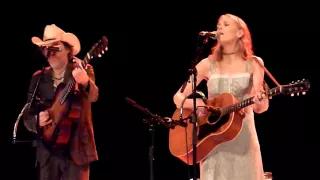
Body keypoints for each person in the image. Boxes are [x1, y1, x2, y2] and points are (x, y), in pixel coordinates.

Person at [173, 14, 269, 180]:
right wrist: (196, 104)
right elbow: (177, 97)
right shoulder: (206, 64)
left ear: (240, 33)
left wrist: (261, 101)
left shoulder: (254, 63)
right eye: (218, 25)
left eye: (225, 25)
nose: (219, 28)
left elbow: (260, 107)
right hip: (213, 140)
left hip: (244, 139)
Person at [23, 24, 99, 180]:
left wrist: (85, 82)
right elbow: (27, 115)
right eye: (45, 48)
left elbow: (94, 96)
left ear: (68, 50)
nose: (49, 52)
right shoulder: (38, 77)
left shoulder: (84, 70)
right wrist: (37, 120)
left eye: (55, 48)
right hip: (48, 154)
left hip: (77, 152)